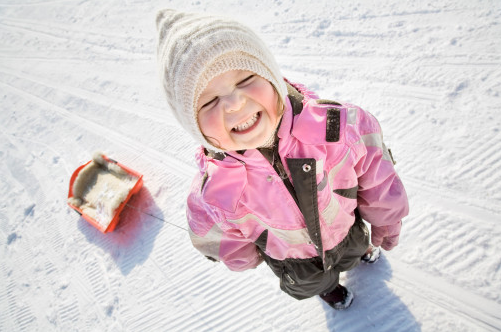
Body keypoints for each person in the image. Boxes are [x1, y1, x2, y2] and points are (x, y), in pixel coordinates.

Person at [156, 9, 409, 310]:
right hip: (294, 261)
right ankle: (329, 289)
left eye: (246, 77)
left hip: (346, 227)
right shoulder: (214, 194)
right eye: (209, 101)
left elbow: (379, 176)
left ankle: (361, 252)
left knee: (353, 248)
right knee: (315, 281)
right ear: (194, 126)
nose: (235, 103)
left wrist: (387, 220)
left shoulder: (337, 127)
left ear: (273, 76)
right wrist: (246, 257)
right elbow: (214, 236)